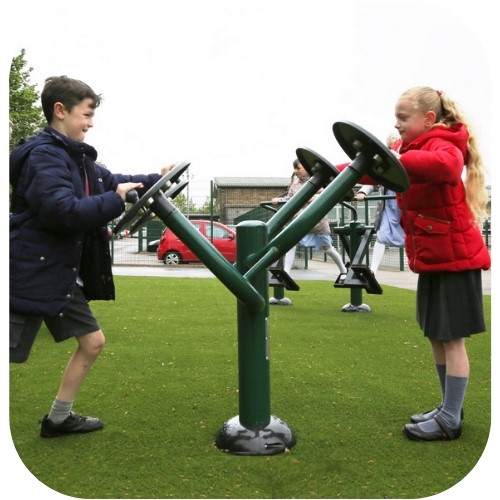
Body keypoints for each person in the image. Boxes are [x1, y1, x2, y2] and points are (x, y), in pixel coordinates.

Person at [9, 75, 174, 438]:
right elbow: (62, 210)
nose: (90, 122)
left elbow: (111, 179)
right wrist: (115, 200)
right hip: (30, 270)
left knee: (92, 341)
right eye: (86, 114)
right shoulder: (45, 156)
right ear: (60, 110)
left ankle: (58, 419)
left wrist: (157, 178)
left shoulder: (74, 157)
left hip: (58, 271)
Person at [382, 86, 490, 441]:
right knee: (436, 335)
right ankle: (448, 406)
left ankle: (450, 419)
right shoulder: (413, 150)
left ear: (428, 119)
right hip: (434, 259)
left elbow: (446, 166)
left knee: (452, 340)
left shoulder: (444, 143)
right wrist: (339, 169)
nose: (396, 125)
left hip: (455, 260)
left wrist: (392, 155)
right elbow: (378, 172)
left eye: (403, 117)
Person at [272, 159, 347, 278]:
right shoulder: (295, 186)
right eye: (295, 169)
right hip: (301, 221)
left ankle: (343, 271)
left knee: (327, 248)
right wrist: (278, 200)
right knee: (291, 243)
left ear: (307, 168)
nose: (296, 171)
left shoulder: (318, 182)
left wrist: (310, 198)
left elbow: (323, 194)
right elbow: (289, 199)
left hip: (317, 222)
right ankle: (286, 273)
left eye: (299, 168)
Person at [355, 134, 405, 274]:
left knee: (412, 237)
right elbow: (374, 180)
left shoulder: (405, 161)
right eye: (391, 147)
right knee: (382, 237)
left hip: (404, 205)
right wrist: (363, 192)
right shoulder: (385, 165)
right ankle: (373, 271)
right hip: (389, 204)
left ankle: (420, 270)